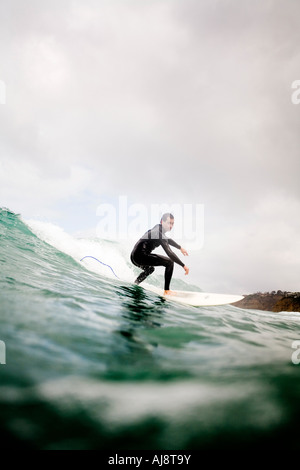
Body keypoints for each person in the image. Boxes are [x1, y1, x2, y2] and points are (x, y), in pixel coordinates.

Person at [130, 213, 189, 295]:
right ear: (162, 221)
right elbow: (170, 253)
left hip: (134, 256)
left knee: (150, 269)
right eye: (169, 223)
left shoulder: (157, 228)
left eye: (172, 223)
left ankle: (135, 283)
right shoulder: (158, 233)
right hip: (140, 256)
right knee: (169, 262)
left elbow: (168, 239)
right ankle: (167, 291)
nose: (171, 226)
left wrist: (180, 247)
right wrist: (183, 265)